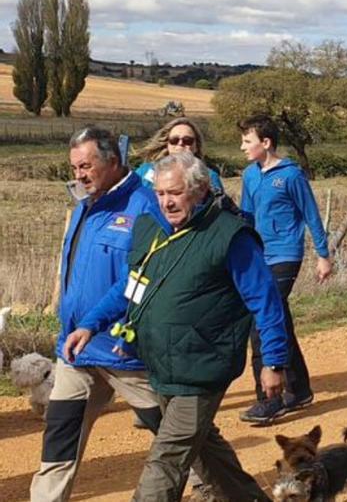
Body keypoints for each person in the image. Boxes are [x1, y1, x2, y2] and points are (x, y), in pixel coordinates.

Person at [65, 152, 288, 501]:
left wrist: (273, 362)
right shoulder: (151, 229)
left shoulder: (230, 236)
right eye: (160, 193)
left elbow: (266, 301)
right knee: (205, 451)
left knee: (166, 459)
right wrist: (91, 324)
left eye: (175, 192)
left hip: (204, 366)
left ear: (199, 190)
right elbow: (131, 285)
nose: (167, 202)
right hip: (161, 362)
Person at [31, 128, 214, 502]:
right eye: (75, 167)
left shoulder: (147, 206)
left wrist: (115, 325)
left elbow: (148, 277)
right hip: (77, 349)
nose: (79, 175)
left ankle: (213, 488)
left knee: (172, 433)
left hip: (126, 353)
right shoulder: (85, 205)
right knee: (59, 439)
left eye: (86, 166)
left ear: (113, 162)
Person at [237, 114, 331, 424]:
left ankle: (269, 399)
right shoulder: (250, 175)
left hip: (286, 255)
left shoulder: (291, 176)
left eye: (247, 141)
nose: (242, 147)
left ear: (266, 143)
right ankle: (300, 389)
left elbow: (311, 215)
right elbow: (246, 217)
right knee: (280, 322)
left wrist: (323, 254)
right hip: (259, 256)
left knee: (262, 321)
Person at [133, 118, 224, 194]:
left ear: (196, 146)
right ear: (167, 145)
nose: (180, 144)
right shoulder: (145, 172)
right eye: (174, 140)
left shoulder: (209, 177)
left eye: (187, 140)